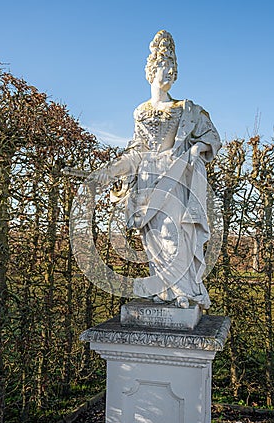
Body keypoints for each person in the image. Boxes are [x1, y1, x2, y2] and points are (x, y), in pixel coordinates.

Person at [95, 30, 221, 309]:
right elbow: (137, 150)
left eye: (173, 68)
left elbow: (212, 137)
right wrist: (112, 171)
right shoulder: (139, 111)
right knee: (152, 238)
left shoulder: (186, 108)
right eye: (165, 67)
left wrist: (196, 149)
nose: (171, 73)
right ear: (151, 71)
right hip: (147, 179)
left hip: (174, 176)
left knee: (173, 234)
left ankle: (184, 290)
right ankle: (163, 289)